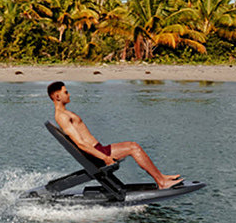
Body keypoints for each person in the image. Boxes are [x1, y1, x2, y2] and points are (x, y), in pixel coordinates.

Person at [47, 81, 183, 189]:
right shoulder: (63, 117)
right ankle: (161, 182)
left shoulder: (65, 114)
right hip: (96, 154)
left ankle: (161, 177)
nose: (69, 95)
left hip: (98, 149)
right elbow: (80, 143)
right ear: (57, 96)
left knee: (133, 146)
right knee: (133, 147)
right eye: (66, 92)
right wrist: (105, 158)